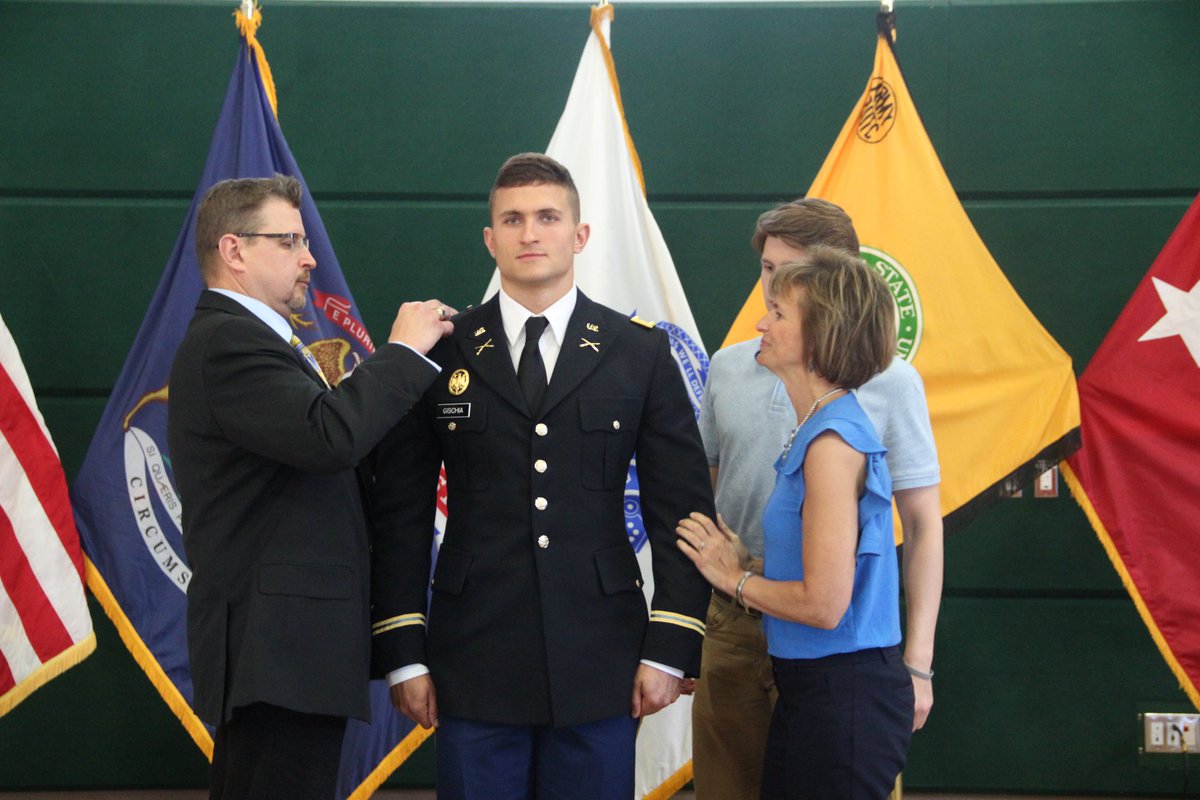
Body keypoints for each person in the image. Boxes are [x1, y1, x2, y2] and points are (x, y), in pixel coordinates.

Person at [368, 153, 713, 800]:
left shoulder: (637, 352)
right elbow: (403, 513)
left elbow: (682, 511)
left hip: (601, 657)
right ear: (490, 238)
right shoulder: (441, 350)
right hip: (471, 658)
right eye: (514, 219)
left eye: (548, 217)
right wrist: (404, 650)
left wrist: (669, 645)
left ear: (579, 235)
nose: (531, 233)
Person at [167, 174, 453, 800]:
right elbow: (328, 438)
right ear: (234, 251)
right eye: (290, 240)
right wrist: (402, 351)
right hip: (276, 653)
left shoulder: (262, 340)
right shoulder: (228, 343)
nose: (309, 257)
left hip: (291, 653)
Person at [690, 199, 942, 799]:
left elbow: (829, 599)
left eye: (786, 291)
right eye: (767, 274)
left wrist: (920, 660)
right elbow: (713, 503)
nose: (762, 310)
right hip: (757, 636)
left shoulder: (836, 434)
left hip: (832, 656)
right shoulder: (741, 378)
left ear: (828, 307)